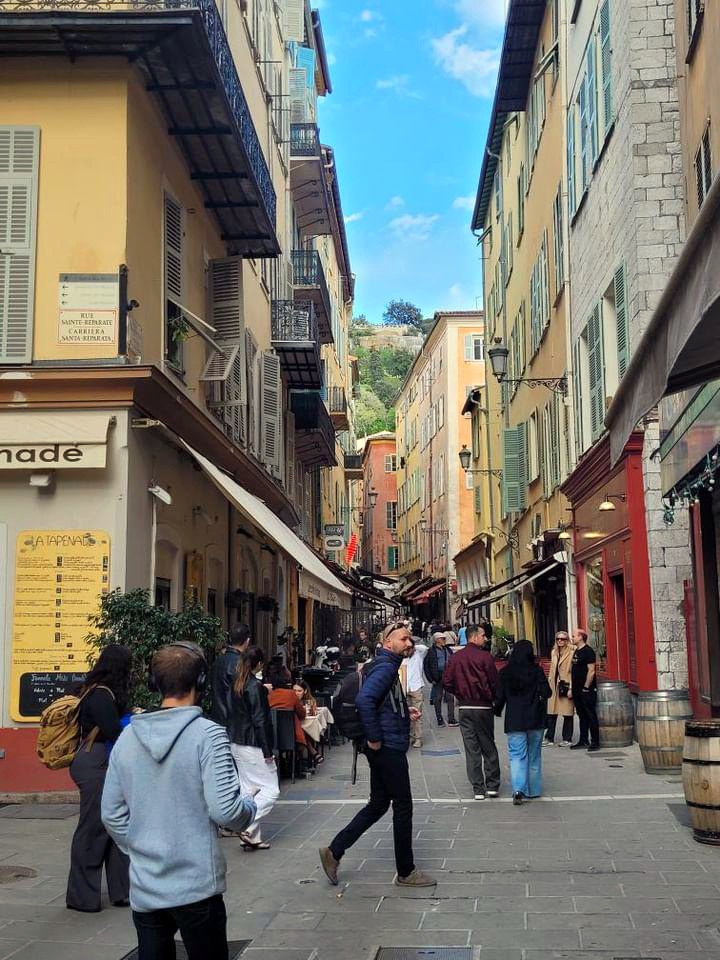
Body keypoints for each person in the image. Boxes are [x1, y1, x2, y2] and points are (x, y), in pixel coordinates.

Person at [101, 642, 257, 959]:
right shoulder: (208, 735)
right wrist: (250, 807)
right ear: (200, 683)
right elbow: (226, 810)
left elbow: (111, 814)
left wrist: (139, 846)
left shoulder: (128, 737)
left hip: (147, 884)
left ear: (154, 683)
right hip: (196, 883)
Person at [318, 621, 435, 889]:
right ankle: (406, 871)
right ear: (388, 642)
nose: (409, 644)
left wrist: (405, 712)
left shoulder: (383, 664)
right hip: (387, 747)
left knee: (379, 803)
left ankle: (334, 851)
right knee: (403, 806)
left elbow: (382, 701)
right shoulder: (385, 666)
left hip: (386, 743)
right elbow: (365, 701)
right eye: (404, 639)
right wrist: (374, 738)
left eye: (410, 640)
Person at [66, 643, 132, 913]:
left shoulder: (96, 690)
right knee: (93, 828)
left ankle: (122, 891)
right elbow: (112, 729)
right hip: (95, 763)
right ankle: (81, 897)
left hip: (99, 761)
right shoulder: (102, 694)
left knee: (112, 823)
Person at [225, 647, 279, 850]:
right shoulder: (254, 686)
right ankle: (246, 824)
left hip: (236, 741)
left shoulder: (237, 684)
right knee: (271, 790)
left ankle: (252, 836)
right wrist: (267, 751)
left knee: (248, 788)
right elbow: (259, 720)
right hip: (253, 743)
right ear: (258, 664)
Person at [442, 622, 500, 800]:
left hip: (465, 707)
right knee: (488, 745)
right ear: (474, 636)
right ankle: (492, 785)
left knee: (471, 747)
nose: (485, 638)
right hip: (483, 706)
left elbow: (446, 681)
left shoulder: (456, 658)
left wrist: (459, 693)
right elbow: (494, 681)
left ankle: (478, 788)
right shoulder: (485, 657)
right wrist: (492, 696)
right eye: (483, 635)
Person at [495, 639, 551, 805]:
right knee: (534, 755)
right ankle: (533, 790)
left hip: (515, 719)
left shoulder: (505, 672)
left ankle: (518, 789)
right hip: (535, 718)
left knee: (517, 756)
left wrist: (497, 710)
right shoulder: (537, 671)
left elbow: (500, 697)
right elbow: (547, 692)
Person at [209, 622, 251, 727]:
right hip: (236, 724)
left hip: (217, 720)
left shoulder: (217, 662)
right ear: (247, 641)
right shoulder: (241, 665)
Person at [570, 627, 600, 752]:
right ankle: (583, 740)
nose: (572, 638)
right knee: (582, 715)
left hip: (586, 690)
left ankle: (595, 742)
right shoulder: (577, 651)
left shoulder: (588, 651)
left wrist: (586, 687)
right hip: (577, 689)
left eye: (574, 636)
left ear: (581, 637)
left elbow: (591, 671)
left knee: (590, 715)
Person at [545, 631, 575, 746]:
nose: (560, 641)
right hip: (554, 685)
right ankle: (549, 738)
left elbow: (573, 672)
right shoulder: (554, 652)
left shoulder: (572, 652)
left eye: (562, 639)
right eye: (558, 639)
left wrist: (571, 688)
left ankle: (567, 738)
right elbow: (553, 669)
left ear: (567, 640)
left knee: (567, 713)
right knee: (551, 713)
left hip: (566, 685)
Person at [423, 632, 458, 727]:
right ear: (437, 640)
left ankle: (451, 718)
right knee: (437, 698)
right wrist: (431, 679)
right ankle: (439, 718)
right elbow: (426, 666)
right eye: (443, 639)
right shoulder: (431, 651)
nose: (445, 640)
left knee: (450, 697)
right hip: (437, 677)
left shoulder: (448, 650)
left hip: (448, 677)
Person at [403, 637, 428, 748]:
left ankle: (418, 738)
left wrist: (411, 645)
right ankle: (409, 736)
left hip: (416, 687)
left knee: (417, 714)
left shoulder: (419, 653)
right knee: (405, 715)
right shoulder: (401, 656)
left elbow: (424, 647)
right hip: (404, 687)